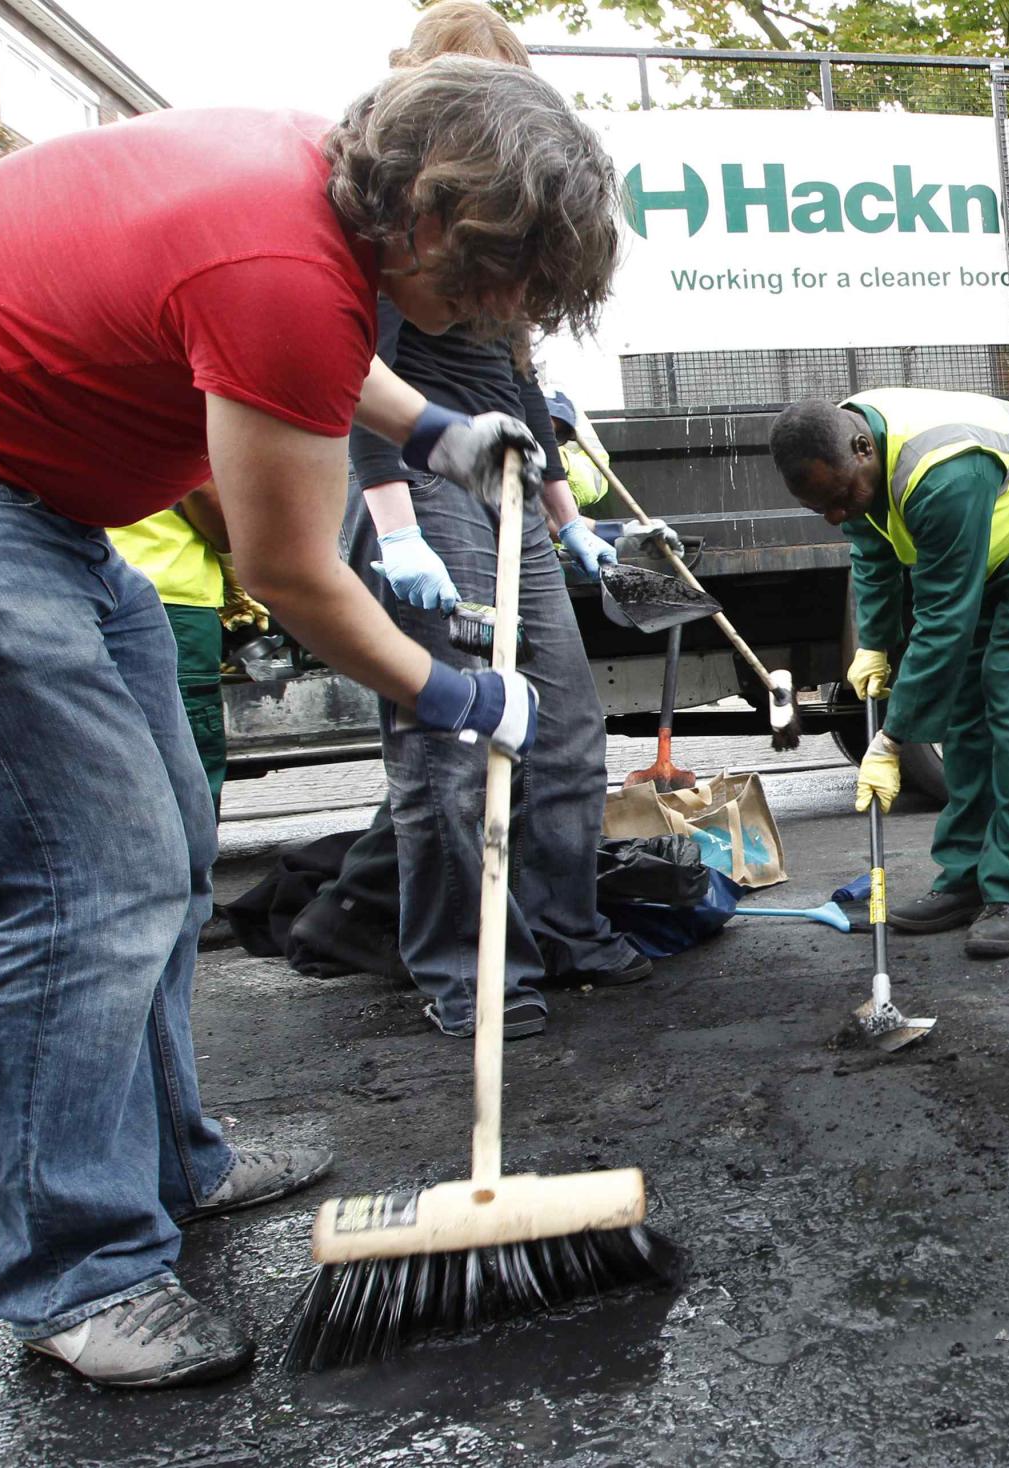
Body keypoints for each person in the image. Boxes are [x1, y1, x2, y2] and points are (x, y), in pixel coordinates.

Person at [0, 56, 616, 1386]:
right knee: (82, 881)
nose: (503, 308)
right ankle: (75, 1272)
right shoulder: (281, 260)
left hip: (37, 505)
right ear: (432, 214)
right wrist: (457, 694)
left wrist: (436, 431)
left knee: (166, 843)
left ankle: (169, 1160)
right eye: (497, 276)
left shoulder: (333, 191)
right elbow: (287, 570)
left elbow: (312, 347)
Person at [345, 1, 656, 1041]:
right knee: (454, 735)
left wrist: (567, 517)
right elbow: (347, 372)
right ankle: (472, 968)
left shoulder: (509, 207)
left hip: (504, 472)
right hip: (419, 473)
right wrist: (395, 526)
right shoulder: (396, 199)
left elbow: (518, 379)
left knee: (561, 719)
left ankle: (567, 929)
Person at [769, 389, 1009, 959]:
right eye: (821, 508)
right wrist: (873, 643)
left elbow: (943, 620)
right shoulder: (850, 452)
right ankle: (966, 878)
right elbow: (873, 550)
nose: (835, 515)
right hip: (984, 542)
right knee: (966, 716)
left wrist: (892, 738)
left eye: (841, 498)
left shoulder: (942, 471)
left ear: (862, 449)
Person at [110, 486, 233, 813]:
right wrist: (235, 553)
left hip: (77, 589)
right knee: (183, 748)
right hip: (173, 590)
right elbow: (201, 492)